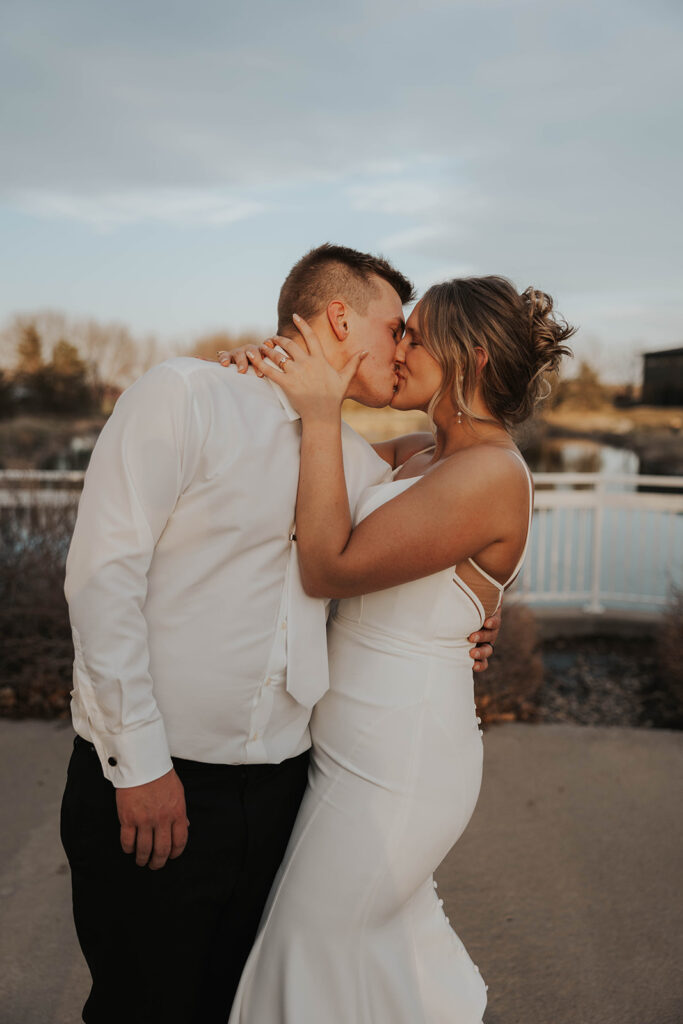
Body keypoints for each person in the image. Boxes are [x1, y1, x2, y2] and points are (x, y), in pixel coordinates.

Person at [59, 244, 500, 1024]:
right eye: (395, 327)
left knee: (247, 1002)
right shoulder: (185, 396)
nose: (402, 349)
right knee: (141, 1004)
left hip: (288, 788)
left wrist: (476, 610)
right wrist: (139, 768)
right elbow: (102, 583)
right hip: (162, 780)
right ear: (339, 317)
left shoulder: (355, 461)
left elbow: (448, 510)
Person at [226, 276, 575, 1023]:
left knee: (305, 951)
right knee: (372, 962)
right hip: (347, 750)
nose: (399, 345)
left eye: (415, 334)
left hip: (401, 764)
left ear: (470, 359)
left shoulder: (490, 471)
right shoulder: (423, 449)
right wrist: (269, 378)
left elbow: (330, 567)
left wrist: (324, 415)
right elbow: (287, 460)